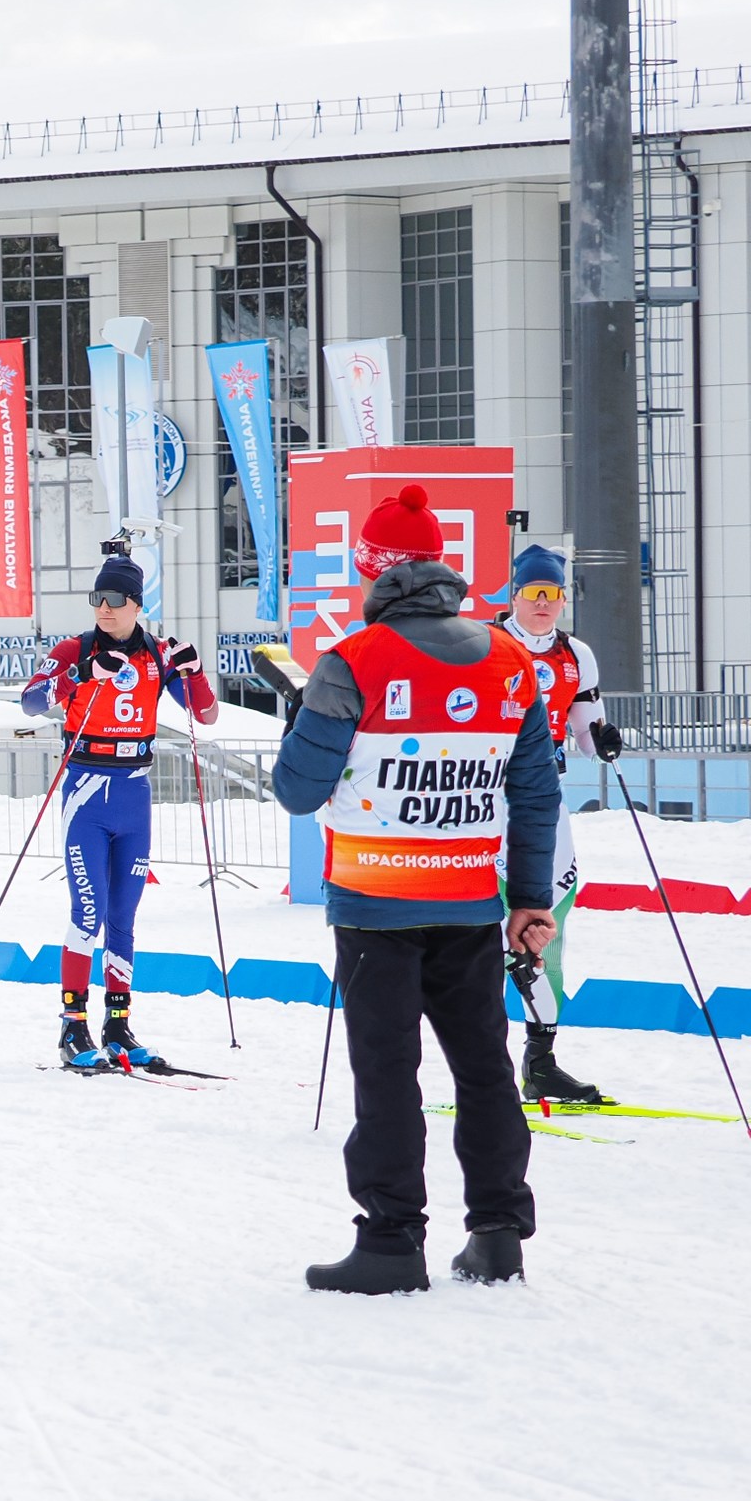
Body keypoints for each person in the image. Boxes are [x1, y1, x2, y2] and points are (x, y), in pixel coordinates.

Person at [272, 482, 561, 1293]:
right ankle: (498, 1233)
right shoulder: (509, 661)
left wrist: (303, 718)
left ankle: (392, 1239)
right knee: (484, 1066)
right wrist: (529, 899)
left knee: (387, 1071)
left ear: (376, 572)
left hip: (375, 906)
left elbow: (297, 788)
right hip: (469, 901)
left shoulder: (353, 660)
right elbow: (536, 792)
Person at [19, 550, 219, 1070]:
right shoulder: (76, 648)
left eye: (113, 599)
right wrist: (82, 673)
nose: (103, 608)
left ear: (136, 603)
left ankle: (118, 1025)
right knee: (88, 913)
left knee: (123, 918)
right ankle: (72, 1026)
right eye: (97, 598)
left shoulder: (157, 654)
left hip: (134, 795)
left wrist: (195, 671)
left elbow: (206, 714)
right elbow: (32, 701)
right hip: (87, 793)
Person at [498, 543, 625, 1103]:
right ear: (515, 595)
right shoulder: (489, 645)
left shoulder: (577, 656)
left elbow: (588, 734)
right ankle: (481, 1061)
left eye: (553, 593)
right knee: (487, 930)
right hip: (489, 798)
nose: (544, 603)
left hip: (546, 800)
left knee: (551, 923)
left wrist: (605, 740)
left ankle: (541, 1060)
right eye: (534, 593)